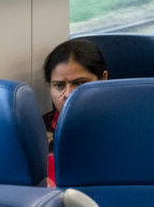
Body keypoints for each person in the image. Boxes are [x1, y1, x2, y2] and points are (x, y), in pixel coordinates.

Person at [42, 39, 107, 183]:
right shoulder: (35, 132)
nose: (68, 94)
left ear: (103, 79)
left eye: (79, 83)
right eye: (59, 86)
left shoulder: (121, 126)